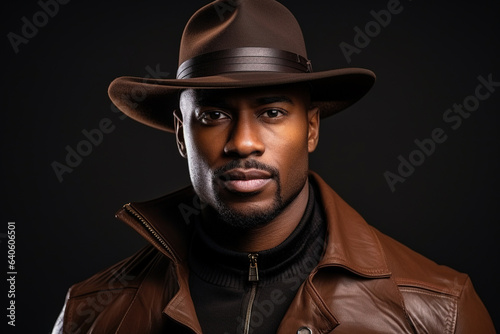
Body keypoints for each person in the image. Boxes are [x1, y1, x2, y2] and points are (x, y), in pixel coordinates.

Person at [52, 0, 495, 333]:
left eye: (272, 112)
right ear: (181, 135)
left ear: (312, 128)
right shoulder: (93, 312)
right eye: (212, 115)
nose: (243, 143)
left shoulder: (440, 311)